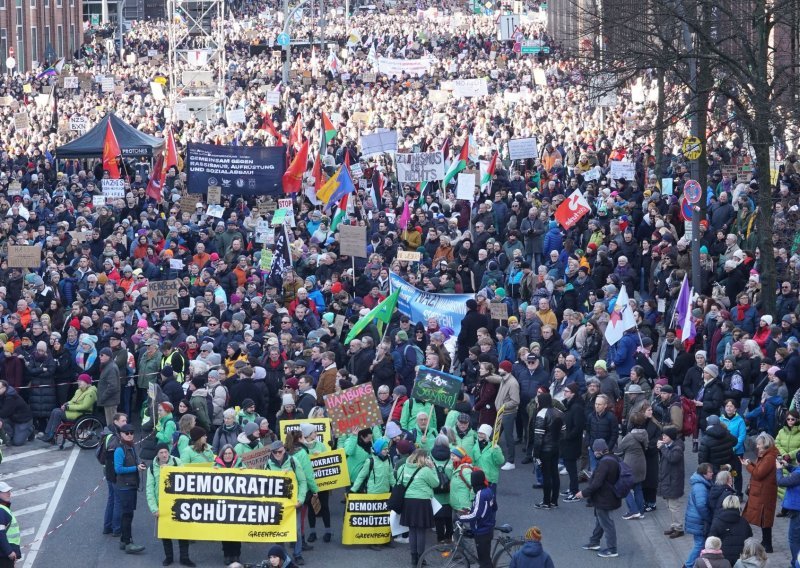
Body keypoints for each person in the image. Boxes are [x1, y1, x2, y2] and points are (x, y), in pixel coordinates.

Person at [146, 443, 195, 567]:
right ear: (157, 454)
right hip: (162, 505)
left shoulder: (177, 462)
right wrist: (154, 508)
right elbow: (149, 490)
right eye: (161, 452)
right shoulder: (152, 467)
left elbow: (187, 478)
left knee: (182, 532)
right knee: (165, 534)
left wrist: (171, 470)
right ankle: (169, 557)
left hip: (179, 504)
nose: (164, 455)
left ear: (169, 452)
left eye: (165, 452)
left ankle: (185, 557)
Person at [575, 439, 621, 558]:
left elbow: (596, 483)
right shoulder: (613, 458)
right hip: (608, 496)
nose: (593, 453)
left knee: (607, 523)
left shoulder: (604, 463)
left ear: (600, 450)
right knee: (600, 520)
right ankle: (594, 542)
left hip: (604, 497)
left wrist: (583, 493)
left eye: (595, 450)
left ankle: (612, 549)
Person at [394, 449, 441, 567]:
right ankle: (421, 559)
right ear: (423, 458)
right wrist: (433, 468)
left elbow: (399, 481)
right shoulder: (425, 470)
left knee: (412, 531)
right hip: (422, 502)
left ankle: (413, 559)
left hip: (408, 502)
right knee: (420, 532)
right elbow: (436, 483)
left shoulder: (403, 467)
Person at [264, 440, 307, 565]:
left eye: (280, 451)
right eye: (275, 452)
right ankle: (281, 556)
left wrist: (301, 499)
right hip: (278, 504)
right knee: (279, 530)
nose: (278, 454)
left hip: (293, 504)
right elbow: (265, 483)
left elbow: (302, 481)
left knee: (297, 530)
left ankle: (297, 554)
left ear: (284, 449)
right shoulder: (268, 464)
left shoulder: (293, 461)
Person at [741, 432, 779, 552]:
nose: (757, 446)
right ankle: (766, 542)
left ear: (765, 444)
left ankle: (768, 545)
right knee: (763, 518)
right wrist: (751, 463)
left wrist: (748, 466)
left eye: (759, 444)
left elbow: (758, 474)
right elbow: (759, 469)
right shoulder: (765, 455)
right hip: (762, 491)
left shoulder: (769, 458)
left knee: (764, 518)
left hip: (764, 492)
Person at [114, 423, 146, 554]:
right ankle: (128, 543)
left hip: (131, 485)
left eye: (132, 433)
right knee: (127, 515)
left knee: (127, 514)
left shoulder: (130, 447)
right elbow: (118, 469)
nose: (129, 435)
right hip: (125, 487)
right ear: (121, 434)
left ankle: (123, 540)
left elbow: (132, 462)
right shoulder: (120, 450)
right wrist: (136, 468)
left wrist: (138, 464)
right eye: (126, 433)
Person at [38, 373, 97, 443]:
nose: (78, 382)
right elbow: (72, 401)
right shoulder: (79, 391)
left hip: (81, 414)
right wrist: (66, 404)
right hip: (74, 412)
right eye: (78, 381)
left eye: (81, 381)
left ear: (87, 382)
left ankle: (51, 435)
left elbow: (85, 406)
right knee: (55, 410)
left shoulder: (91, 392)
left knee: (57, 412)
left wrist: (68, 407)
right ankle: (48, 433)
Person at [458, 469, 497, 568]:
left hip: (481, 529)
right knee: (485, 559)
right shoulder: (489, 490)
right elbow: (493, 507)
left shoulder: (480, 493)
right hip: (488, 528)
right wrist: (470, 510)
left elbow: (476, 514)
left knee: (484, 562)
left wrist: (461, 518)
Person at [532, 392, 564, 509]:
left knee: (546, 475)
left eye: (537, 401)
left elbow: (538, 436)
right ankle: (554, 501)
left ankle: (546, 502)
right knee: (555, 473)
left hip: (545, 449)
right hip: (556, 447)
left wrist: (536, 453)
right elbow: (563, 432)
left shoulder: (541, 413)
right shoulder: (559, 412)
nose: (536, 403)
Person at [102, 412, 128, 537]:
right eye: (123, 421)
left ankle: (107, 526)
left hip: (108, 469)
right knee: (117, 499)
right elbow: (113, 452)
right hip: (113, 471)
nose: (125, 423)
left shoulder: (108, 433)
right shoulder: (114, 437)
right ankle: (117, 528)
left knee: (111, 498)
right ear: (116, 421)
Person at [618, 412, 648, 520]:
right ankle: (640, 511)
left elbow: (619, 449)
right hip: (642, 463)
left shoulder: (629, 436)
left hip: (630, 465)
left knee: (625, 488)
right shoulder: (645, 433)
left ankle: (633, 511)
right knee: (638, 488)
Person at [685, 463, 715, 567]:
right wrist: (709, 518)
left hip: (696, 519)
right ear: (704, 474)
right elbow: (701, 506)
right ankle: (688, 565)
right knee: (699, 544)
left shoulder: (702, 483)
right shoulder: (700, 487)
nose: (712, 473)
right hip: (698, 521)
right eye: (710, 472)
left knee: (700, 544)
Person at [709, 495, 752, 566]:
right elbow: (749, 539)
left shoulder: (717, 522)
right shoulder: (744, 522)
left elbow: (711, 542)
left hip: (722, 559)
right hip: (740, 559)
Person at [658, 426, 686, 538]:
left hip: (674, 481)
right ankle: (674, 526)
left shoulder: (677, 448)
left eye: (665, 435)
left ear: (671, 437)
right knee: (670, 506)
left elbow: (672, 458)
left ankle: (678, 528)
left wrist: (662, 448)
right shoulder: (669, 445)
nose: (663, 437)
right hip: (668, 480)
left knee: (674, 506)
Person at [561, 382, 585, 501]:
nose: (564, 393)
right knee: (569, 466)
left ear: (573, 393)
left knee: (571, 468)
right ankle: (572, 488)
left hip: (572, 442)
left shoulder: (577, 407)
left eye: (567, 391)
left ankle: (575, 491)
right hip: (567, 441)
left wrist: (568, 436)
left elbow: (578, 426)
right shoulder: (568, 404)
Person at [776, 449, 800, 567]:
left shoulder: (798, 474)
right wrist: (788, 466)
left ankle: (796, 563)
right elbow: (796, 470)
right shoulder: (797, 471)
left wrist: (779, 469)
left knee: (794, 539)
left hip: (797, 510)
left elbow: (781, 482)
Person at [496, 360, 520, 470]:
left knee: (508, 438)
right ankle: (494, 456)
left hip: (508, 414)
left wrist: (502, 406)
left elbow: (515, 401)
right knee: (494, 436)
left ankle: (511, 462)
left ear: (505, 370)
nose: (498, 370)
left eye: (500, 368)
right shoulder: (504, 379)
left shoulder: (512, 383)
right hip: (501, 413)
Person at [720, 400, 747, 495]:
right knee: (726, 472)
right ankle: (727, 491)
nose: (729, 408)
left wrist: (734, 447)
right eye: (727, 406)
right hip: (724, 452)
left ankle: (738, 492)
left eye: (731, 406)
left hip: (737, 452)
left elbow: (742, 436)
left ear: (735, 408)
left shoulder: (740, 420)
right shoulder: (720, 419)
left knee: (736, 473)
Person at [0, 380, 33, 446]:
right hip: (13, 418)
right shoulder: (2, 394)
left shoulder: (10, 397)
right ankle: (11, 435)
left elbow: (4, 413)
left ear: (5, 388)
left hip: (23, 420)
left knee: (17, 442)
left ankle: (30, 429)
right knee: (2, 420)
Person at [98, 347, 121, 427]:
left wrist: (103, 397)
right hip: (108, 401)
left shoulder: (111, 368)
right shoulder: (107, 366)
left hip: (110, 401)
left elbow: (113, 386)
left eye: (102, 355)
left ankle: (114, 439)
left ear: (108, 356)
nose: (99, 357)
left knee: (112, 424)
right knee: (111, 424)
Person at [0, 482, 20, 568]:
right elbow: (0, 533)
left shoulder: (3, 508)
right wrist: (9, 552)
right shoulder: (1, 510)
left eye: (9, 491)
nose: (9, 493)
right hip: (4, 554)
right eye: (5, 491)